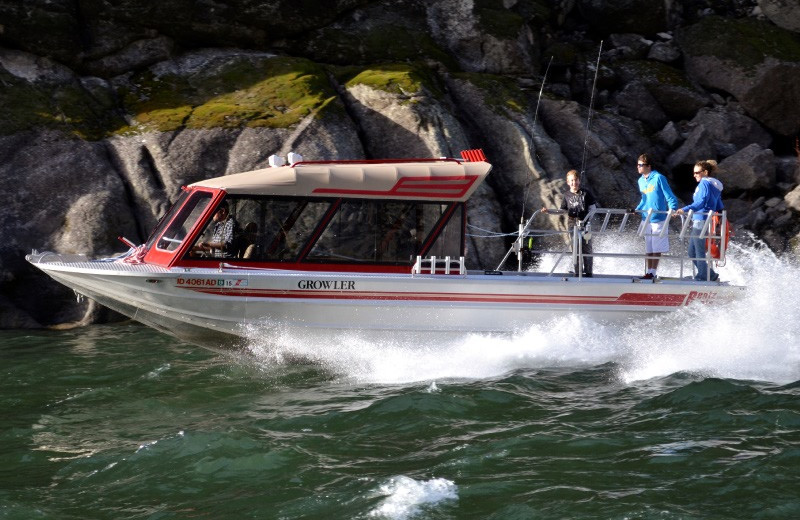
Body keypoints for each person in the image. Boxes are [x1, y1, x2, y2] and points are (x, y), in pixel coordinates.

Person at [632, 154, 679, 280]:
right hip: (646, 217)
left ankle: (653, 271)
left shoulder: (659, 178)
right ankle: (649, 271)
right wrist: (637, 209)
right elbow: (644, 199)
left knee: (656, 246)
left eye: (640, 165)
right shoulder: (640, 180)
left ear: (648, 166)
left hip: (658, 217)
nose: (638, 167)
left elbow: (669, 196)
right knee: (649, 245)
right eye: (637, 165)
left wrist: (672, 208)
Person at [675, 160, 724, 281]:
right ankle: (710, 275)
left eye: (697, 172)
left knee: (698, 251)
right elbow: (719, 205)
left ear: (705, 172)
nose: (694, 175)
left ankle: (703, 276)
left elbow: (701, 202)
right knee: (692, 252)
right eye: (694, 172)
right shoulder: (714, 186)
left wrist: (685, 209)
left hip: (701, 220)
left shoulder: (704, 183)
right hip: (703, 220)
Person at [543, 169, 597, 277]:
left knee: (587, 248)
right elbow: (563, 210)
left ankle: (589, 272)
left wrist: (586, 219)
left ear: (579, 181)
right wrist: (549, 211)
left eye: (576, 180)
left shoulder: (586, 193)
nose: (574, 183)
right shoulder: (566, 195)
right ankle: (577, 272)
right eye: (571, 181)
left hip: (585, 224)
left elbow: (593, 208)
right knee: (575, 247)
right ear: (568, 182)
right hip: (572, 223)